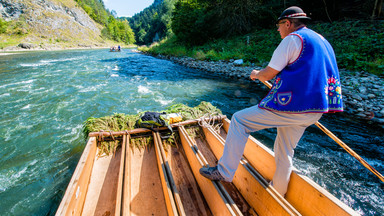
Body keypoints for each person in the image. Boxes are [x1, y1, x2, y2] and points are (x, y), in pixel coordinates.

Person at [199, 6, 343, 196]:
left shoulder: (293, 39)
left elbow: (269, 72)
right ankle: (278, 191)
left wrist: (257, 75)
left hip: (293, 107)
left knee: (239, 120)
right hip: (317, 110)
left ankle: (224, 172)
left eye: (279, 25)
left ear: (288, 23)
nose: (278, 29)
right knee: (284, 150)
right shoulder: (323, 41)